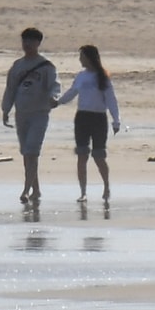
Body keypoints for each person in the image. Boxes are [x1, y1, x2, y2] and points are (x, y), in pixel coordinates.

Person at [1, 26, 61, 205]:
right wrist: (6, 109)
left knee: (32, 152)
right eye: (24, 41)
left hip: (39, 114)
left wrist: (54, 97)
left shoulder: (46, 66)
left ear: (38, 43)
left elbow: (55, 85)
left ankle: (26, 191)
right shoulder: (17, 66)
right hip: (22, 114)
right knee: (26, 153)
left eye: (31, 41)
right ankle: (36, 189)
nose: (27, 44)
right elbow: (10, 88)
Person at [54, 44, 121, 204]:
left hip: (98, 119)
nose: (80, 59)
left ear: (89, 57)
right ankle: (83, 192)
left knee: (98, 156)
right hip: (82, 117)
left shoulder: (102, 77)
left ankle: (106, 187)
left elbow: (111, 99)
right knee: (82, 155)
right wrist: (58, 102)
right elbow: (72, 92)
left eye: (82, 56)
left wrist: (116, 120)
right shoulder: (81, 76)